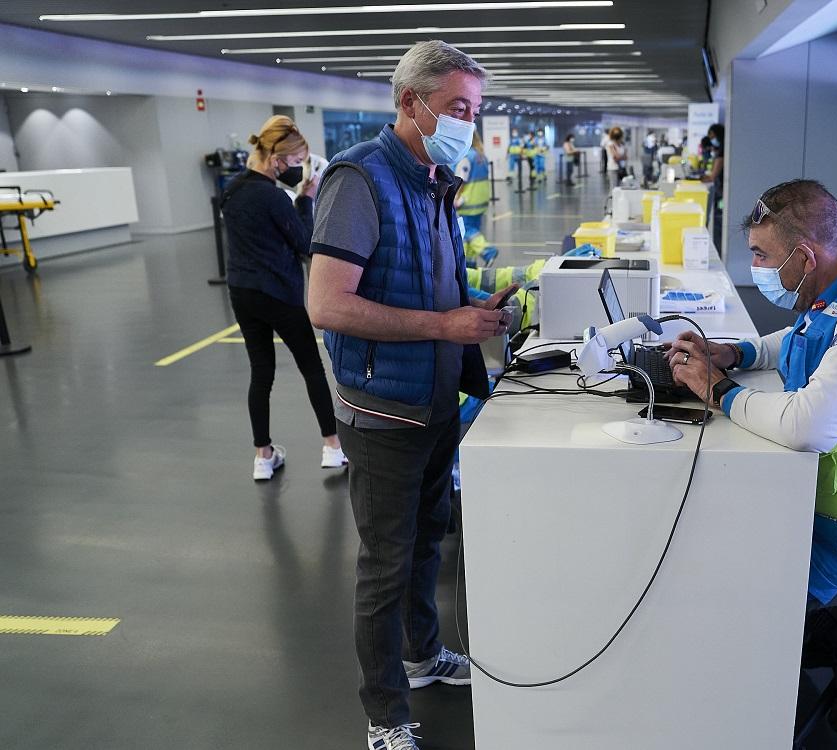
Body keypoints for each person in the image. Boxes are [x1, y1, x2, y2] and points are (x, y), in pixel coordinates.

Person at [665, 178, 837, 735]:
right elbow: (801, 334)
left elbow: (808, 427)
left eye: (763, 256)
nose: (758, 267)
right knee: (717, 542)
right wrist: (736, 351)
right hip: (816, 500)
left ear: (804, 255)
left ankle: (767, 705)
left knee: (738, 592)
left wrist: (717, 389)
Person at [306, 40, 518, 750]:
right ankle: (385, 714)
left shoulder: (435, 180)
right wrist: (444, 323)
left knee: (429, 542)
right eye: (458, 107)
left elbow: (432, 285)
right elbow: (328, 305)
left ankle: (423, 657)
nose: (469, 122)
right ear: (410, 102)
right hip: (382, 410)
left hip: (434, 400)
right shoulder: (359, 181)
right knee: (386, 564)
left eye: (475, 110)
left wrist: (482, 307)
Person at [219, 114, 345, 480]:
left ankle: (262, 455)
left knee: (261, 373)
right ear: (275, 159)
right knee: (311, 367)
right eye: (293, 163)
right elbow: (305, 243)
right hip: (280, 294)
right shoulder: (273, 198)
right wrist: (305, 199)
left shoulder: (231, 190)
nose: (296, 169)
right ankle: (333, 447)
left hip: (242, 293)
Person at [454, 130, 497, 267]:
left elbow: (461, 180)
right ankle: (469, 264)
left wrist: (456, 197)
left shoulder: (466, 157)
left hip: (468, 201)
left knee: (467, 229)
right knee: (471, 233)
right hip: (481, 200)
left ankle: (488, 251)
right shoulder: (481, 156)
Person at [701, 123, 725, 248]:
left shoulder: (722, 151)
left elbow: (712, 176)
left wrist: (697, 179)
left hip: (722, 193)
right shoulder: (721, 149)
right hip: (721, 190)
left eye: (712, 136)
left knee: (718, 220)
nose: (711, 139)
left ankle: (718, 248)